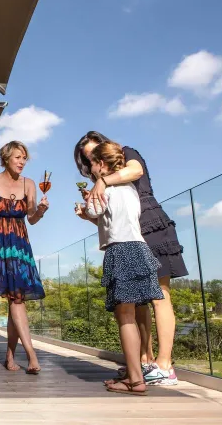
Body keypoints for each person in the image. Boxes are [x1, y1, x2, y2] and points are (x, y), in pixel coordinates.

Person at [74, 131, 187, 386]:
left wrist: (102, 184)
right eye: (87, 158)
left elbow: (135, 171)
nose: (91, 163)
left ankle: (164, 364)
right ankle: (143, 364)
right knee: (138, 304)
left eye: (94, 155)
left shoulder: (128, 155)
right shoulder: (119, 191)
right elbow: (110, 221)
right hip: (134, 236)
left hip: (152, 228)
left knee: (159, 297)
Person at [0, 141, 48, 374]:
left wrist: (41, 211)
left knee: (16, 300)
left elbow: (32, 218)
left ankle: (16, 355)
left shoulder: (29, 184)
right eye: (18, 157)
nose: (22, 162)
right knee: (14, 300)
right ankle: (26, 355)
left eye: (25, 158)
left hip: (19, 247)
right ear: (6, 158)